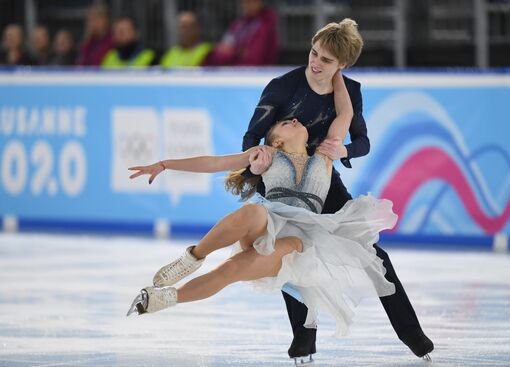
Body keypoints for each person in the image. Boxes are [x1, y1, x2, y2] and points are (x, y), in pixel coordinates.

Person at [126, 70, 398, 344]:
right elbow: (215, 163)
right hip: (267, 223)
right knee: (254, 211)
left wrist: (335, 70)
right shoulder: (267, 154)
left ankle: (165, 298)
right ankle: (192, 258)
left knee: (231, 269)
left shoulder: (327, 153)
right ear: (276, 139)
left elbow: (345, 114)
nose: (294, 119)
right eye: (285, 123)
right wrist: (164, 164)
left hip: (301, 241)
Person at [240, 19, 434, 361]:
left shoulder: (350, 91)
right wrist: (255, 166)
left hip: (323, 184)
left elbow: (363, 142)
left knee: (374, 255)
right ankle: (304, 339)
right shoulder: (282, 87)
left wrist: (342, 151)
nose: (316, 63)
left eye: (327, 60)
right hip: (283, 184)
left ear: (342, 64)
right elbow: (251, 135)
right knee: (291, 256)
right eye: (314, 53)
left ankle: (413, 335)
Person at [204, 0, 279, 66]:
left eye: (252, 1)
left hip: (257, 77)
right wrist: (238, 52)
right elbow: (218, 54)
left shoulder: (265, 27)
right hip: (236, 73)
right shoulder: (237, 25)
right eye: (244, 1)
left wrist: (232, 52)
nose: (247, 4)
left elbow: (254, 60)